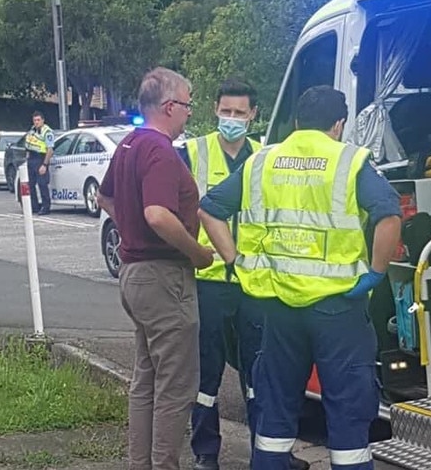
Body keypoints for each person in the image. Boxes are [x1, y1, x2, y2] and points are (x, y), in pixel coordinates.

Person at [197, 85, 402, 470]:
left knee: (275, 409)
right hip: (339, 310)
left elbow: (209, 210)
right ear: (338, 124)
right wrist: (375, 273)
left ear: (295, 122)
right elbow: (388, 217)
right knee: (347, 414)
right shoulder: (349, 161)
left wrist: (236, 260)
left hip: (278, 308)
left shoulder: (263, 161)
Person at [175, 78, 310, 470]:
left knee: (261, 374)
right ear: (214, 109)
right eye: (225, 111)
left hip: (255, 283)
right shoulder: (191, 153)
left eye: (240, 112)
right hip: (210, 281)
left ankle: (267, 453)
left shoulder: (267, 158)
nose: (231, 118)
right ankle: (206, 454)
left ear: (254, 115)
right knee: (207, 375)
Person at [96, 67, 214, 470]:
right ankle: (165, 464)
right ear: (169, 107)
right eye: (188, 104)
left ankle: (140, 463)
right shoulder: (161, 151)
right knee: (176, 386)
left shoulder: (129, 144)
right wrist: (196, 251)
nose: (189, 113)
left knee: (146, 379)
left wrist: (129, 230)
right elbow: (158, 215)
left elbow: (104, 196)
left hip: (134, 275)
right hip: (164, 277)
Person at [24, 111, 55, 215]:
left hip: (41, 159)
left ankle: (46, 207)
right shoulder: (32, 130)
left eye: (38, 120)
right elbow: (28, 145)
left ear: (42, 120)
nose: (36, 122)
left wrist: (45, 165)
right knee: (31, 185)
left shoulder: (47, 132)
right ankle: (34, 207)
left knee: (42, 184)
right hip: (32, 159)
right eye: (34, 120)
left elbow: (50, 150)